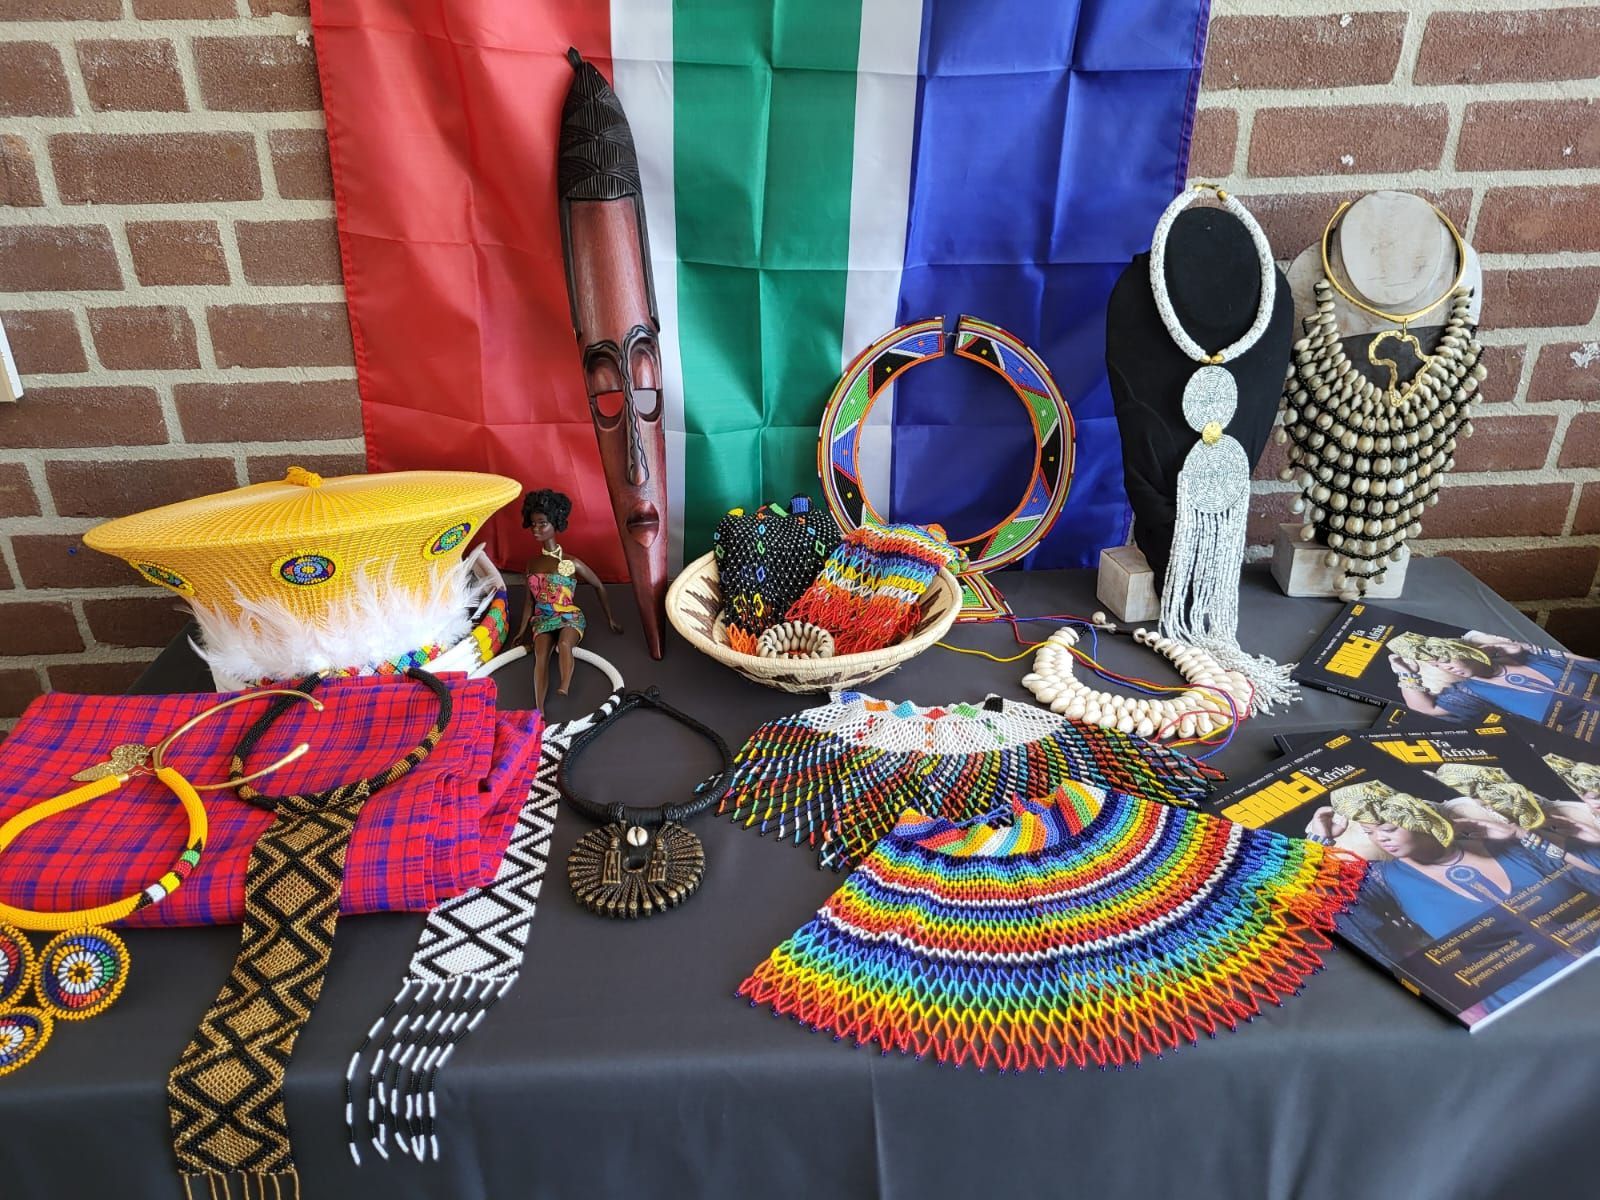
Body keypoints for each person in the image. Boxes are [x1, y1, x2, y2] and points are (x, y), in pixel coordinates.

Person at [1306, 778, 1600, 1016]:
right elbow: (1323, 901)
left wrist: (1521, 836)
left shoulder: (1507, 846)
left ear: (1419, 819)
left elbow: (1590, 879)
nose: (1380, 838)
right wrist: (1320, 842)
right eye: (1370, 833)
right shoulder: (1384, 879)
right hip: (1528, 1007)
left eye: (1388, 828)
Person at [518, 489, 621, 708]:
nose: (536, 529)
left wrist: (610, 618)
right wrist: (521, 630)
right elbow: (529, 601)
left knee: (564, 644)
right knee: (541, 655)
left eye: (542, 523)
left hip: (568, 616)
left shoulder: (573, 562)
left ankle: (564, 685)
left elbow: (598, 586)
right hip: (542, 619)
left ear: (555, 524)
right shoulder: (532, 564)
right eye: (533, 524)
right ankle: (540, 708)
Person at [1386, 630, 1600, 724]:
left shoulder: (1529, 657)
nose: (1446, 668)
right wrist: (1404, 672)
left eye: (1445, 659)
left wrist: (1509, 647)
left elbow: (1586, 664)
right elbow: (1425, 709)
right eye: (1435, 665)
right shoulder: (1470, 693)